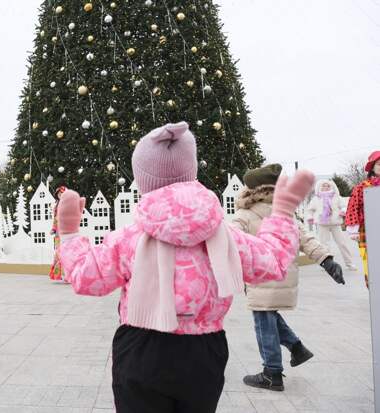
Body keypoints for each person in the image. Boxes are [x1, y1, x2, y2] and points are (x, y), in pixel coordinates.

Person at [56, 122, 314, 412]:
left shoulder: (130, 239)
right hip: (204, 352)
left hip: (142, 349)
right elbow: (273, 261)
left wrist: (69, 234)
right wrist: (281, 214)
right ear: (191, 171)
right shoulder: (225, 235)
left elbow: (85, 277)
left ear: (143, 180)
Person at [232, 164, 344, 392]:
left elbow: (231, 236)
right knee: (268, 314)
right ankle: (297, 348)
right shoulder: (287, 213)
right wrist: (326, 260)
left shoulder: (245, 213)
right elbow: (306, 239)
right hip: (283, 273)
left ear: (251, 190)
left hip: (261, 273)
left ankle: (272, 373)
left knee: (263, 322)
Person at [346, 150, 380, 288]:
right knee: (371, 263)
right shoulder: (362, 187)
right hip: (368, 229)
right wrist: (353, 228)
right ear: (372, 167)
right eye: (379, 164)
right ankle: (375, 292)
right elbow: (353, 206)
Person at [306, 178, 357, 271]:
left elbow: (345, 205)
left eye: (328, 185)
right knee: (324, 245)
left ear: (331, 186)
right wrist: (310, 217)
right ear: (319, 187)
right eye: (323, 186)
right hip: (322, 224)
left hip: (335, 223)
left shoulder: (336, 197)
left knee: (342, 243)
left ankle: (349, 263)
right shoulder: (316, 198)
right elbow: (310, 210)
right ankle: (326, 264)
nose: (325, 187)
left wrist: (343, 211)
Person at [49, 186, 67, 282]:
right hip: (58, 234)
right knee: (58, 253)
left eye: (63, 194)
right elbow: (55, 220)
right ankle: (57, 275)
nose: (61, 195)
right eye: (59, 194)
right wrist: (53, 228)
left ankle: (69, 276)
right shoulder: (57, 206)